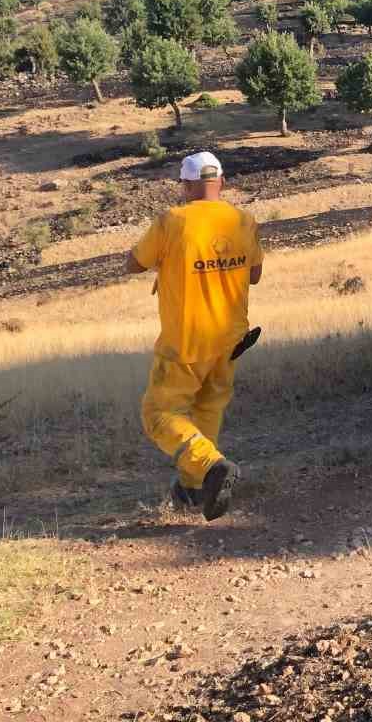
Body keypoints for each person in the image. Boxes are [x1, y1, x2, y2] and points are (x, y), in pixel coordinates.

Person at [126, 151, 263, 521]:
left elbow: (134, 263)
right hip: (230, 337)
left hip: (186, 340)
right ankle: (193, 487)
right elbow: (254, 274)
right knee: (207, 408)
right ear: (223, 181)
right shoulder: (243, 220)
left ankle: (212, 465)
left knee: (158, 412)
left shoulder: (172, 220)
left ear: (185, 186)